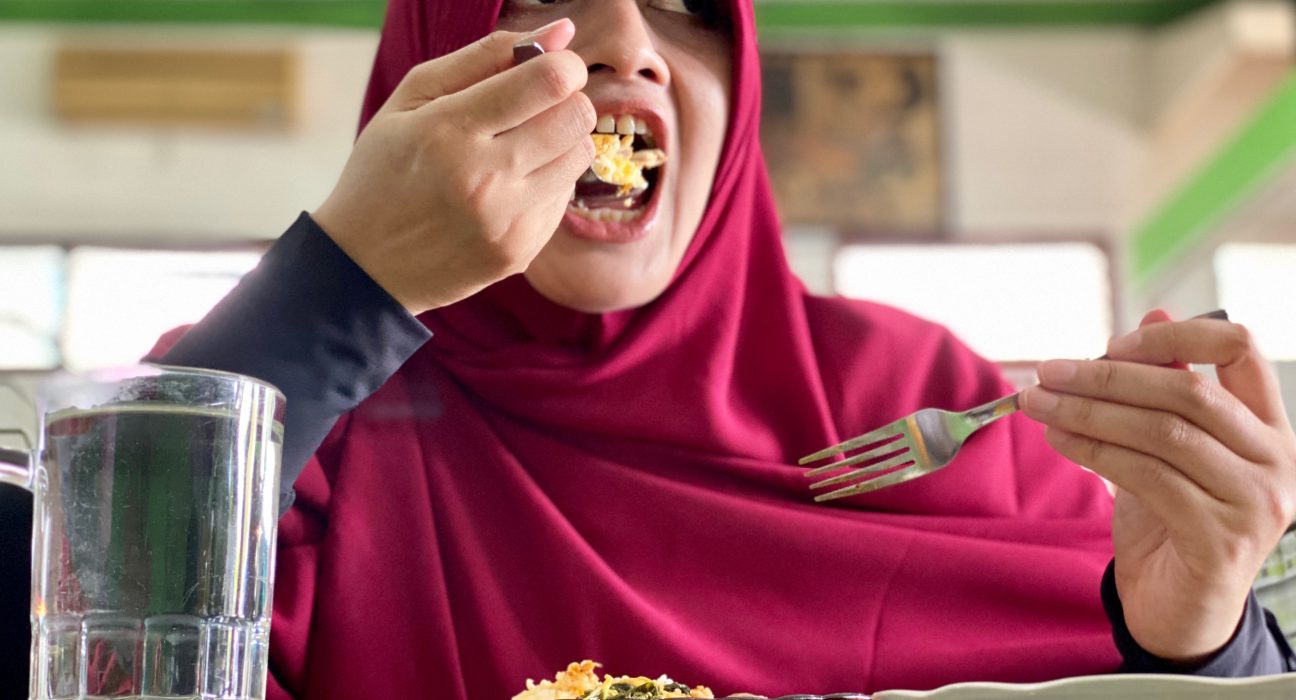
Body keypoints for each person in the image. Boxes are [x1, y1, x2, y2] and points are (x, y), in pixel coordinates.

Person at [150, 0, 1296, 697]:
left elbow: (1134, 659)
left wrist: (1202, 645)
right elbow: (100, 641)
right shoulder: (269, 417)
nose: (623, 41)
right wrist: (340, 286)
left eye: (685, 4)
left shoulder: (918, 393)